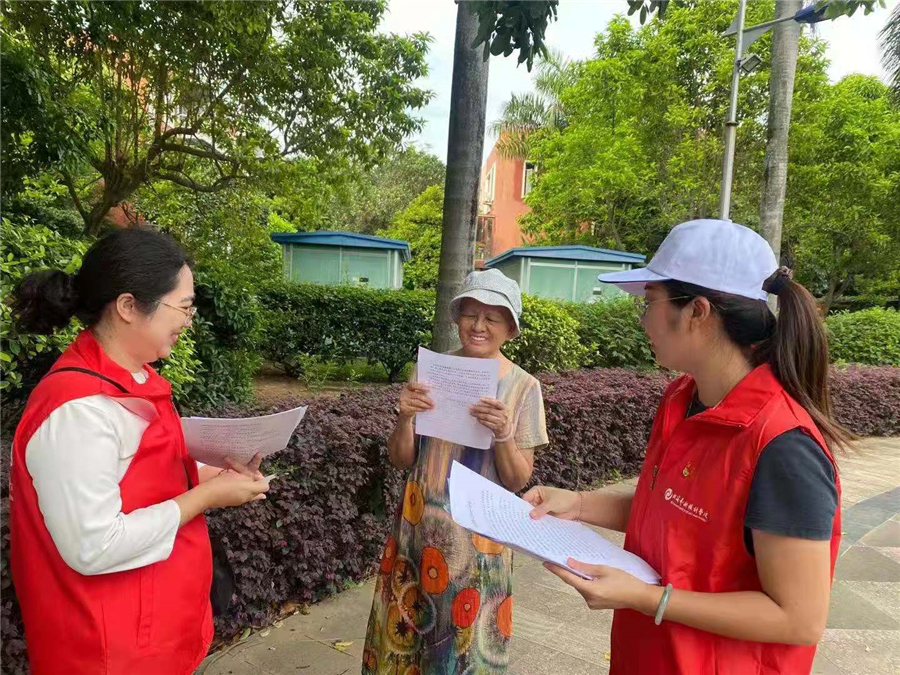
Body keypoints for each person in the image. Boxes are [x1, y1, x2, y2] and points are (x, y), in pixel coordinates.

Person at [524, 219, 846, 675]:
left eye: (649, 302)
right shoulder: (683, 399)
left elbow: (799, 619)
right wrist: (577, 505)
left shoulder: (784, 446)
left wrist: (647, 598)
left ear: (697, 311)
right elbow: (675, 513)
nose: (642, 319)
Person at [8, 228, 271, 675]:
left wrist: (211, 475)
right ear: (128, 306)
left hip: (153, 629)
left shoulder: (134, 379)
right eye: (183, 307)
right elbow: (94, 546)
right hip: (105, 649)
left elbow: (140, 479)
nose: (189, 321)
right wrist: (206, 497)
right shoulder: (79, 410)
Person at [362, 269, 549, 674]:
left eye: (492, 318)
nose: (478, 326)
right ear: (457, 317)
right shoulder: (431, 372)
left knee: (464, 652)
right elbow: (401, 460)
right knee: (404, 641)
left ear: (510, 329)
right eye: (470, 314)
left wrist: (504, 434)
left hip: (478, 545)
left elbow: (518, 480)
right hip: (416, 531)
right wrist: (404, 419)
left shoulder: (524, 387)